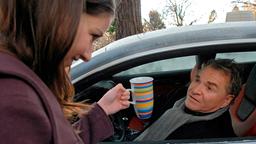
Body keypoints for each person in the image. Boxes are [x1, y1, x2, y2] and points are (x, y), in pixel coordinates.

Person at [0, 0, 130, 144]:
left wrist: (102, 110)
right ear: (63, 13)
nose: (88, 56)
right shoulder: (14, 99)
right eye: (92, 35)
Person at [135, 59, 242, 141]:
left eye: (209, 88)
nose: (195, 90)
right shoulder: (181, 98)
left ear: (226, 100)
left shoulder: (210, 136)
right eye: (197, 80)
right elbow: (157, 104)